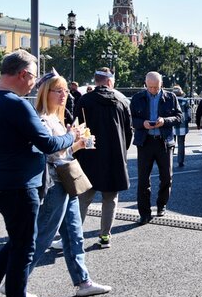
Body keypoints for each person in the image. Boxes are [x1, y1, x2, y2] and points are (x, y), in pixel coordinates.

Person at [0, 50, 81, 297]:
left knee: (18, 240)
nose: (34, 84)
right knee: (25, 246)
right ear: (23, 75)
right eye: (33, 78)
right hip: (20, 184)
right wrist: (72, 136)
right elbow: (49, 144)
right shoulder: (17, 104)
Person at [30, 70, 111, 297]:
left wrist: (78, 144)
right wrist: (72, 140)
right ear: (46, 92)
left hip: (67, 181)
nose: (64, 94)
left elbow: (62, 152)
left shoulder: (56, 117)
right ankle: (16, 281)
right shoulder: (41, 118)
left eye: (65, 90)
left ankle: (83, 282)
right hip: (55, 183)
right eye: (58, 90)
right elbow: (50, 152)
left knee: (74, 234)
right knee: (44, 235)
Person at [74, 67, 133, 249]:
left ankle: (75, 237)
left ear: (96, 80)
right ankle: (105, 236)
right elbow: (129, 131)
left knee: (83, 199)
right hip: (114, 156)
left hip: (90, 155)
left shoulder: (84, 100)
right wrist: (122, 149)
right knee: (110, 199)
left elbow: (77, 129)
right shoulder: (122, 100)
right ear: (109, 82)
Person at [130, 71, 182, 224]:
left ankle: (161, 204)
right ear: (145, 84)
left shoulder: (171, 97)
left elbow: (180, 117)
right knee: (143, 180)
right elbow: (131, 119)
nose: (153, 90)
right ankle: (144, 213)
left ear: (162, 85)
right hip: (145, 142)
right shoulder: (137, 98)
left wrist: (164, 121)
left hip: (164, 141)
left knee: (167, 176)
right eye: (150, 87)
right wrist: (142, 124)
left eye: (156, 87)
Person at [172, 85, 192, 167]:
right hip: (182, 124)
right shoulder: (185, 101)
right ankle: (180, 161)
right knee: (181, 143)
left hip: (172, 123)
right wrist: (188, 120)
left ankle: (169, 159)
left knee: (170, 143)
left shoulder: (170, 100)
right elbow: (189, 113)